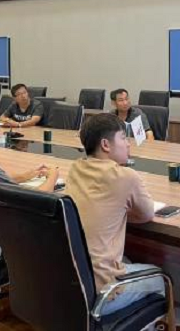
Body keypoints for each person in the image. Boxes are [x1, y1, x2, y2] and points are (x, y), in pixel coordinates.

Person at [64, 113, 164, 316]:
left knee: (125, 260)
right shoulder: (126, 176)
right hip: (101, 294)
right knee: (160, 279)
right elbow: (146, 215)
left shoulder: (75, 168)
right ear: (105, 145)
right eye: (123, 138)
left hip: (69, 284)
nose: (128, 144)